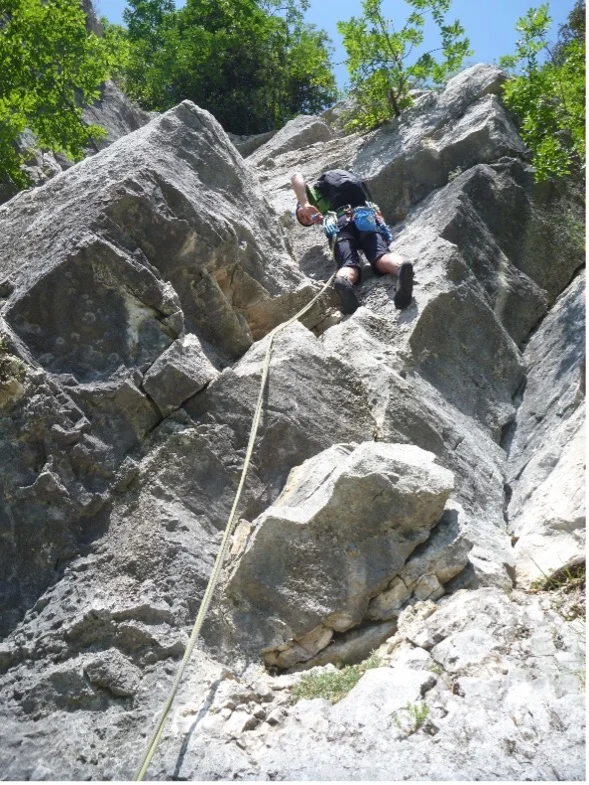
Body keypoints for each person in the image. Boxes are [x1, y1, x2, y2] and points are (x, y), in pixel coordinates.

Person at [290, 169, 414, 314]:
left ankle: (344, 280)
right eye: (306, 222)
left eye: (302, 216)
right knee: (380, 255)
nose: (306, 218)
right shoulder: (343, 192)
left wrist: (304, 203)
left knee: (348, 263)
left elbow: (295, 176)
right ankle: (401, 267)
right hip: (365, 218)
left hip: (341, 223)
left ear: (298, 207)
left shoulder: (309, 197)